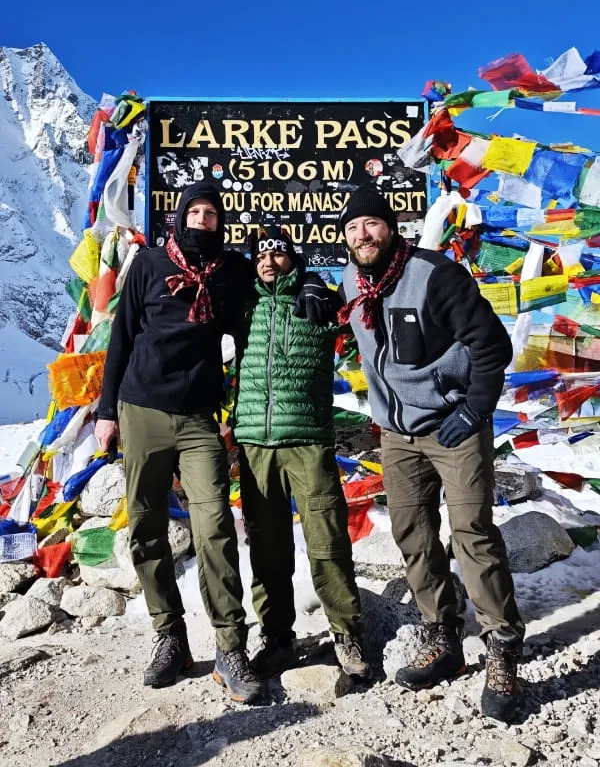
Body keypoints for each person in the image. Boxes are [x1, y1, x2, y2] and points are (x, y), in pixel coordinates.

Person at [94, 182, 332, 702]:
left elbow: (278, 278)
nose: (202, 220)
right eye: (194, 212)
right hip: (142, 410)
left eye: (211, 213)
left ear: (220, 223)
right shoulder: (151, 265)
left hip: (200, 417)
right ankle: (170, 636)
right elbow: (122, 336)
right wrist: (106, 410)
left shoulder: (231, 272)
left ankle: (229, 646)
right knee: (146, 526)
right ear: (181, 217)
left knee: (215, 526)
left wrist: (313, 282)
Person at [337, 186, 525, 722]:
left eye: (370, 224)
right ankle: (443, 637)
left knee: (472, 533)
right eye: (352, 229)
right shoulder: (352, 281)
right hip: (396, 434)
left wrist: (473, 409)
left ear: (390, 227)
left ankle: (503, 648)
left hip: (455, 425)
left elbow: (492, 345)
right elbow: (325, 302)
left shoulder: (433, 273)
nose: (362, 235)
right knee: (412, 534)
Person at [232, 226, 371, 680]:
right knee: (267, 549)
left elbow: (361, 290)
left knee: (327, 541)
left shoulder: (319, 302)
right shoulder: (243, 307)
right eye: (261, 256)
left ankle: (346, 634)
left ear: (295, 258)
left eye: (278, 254)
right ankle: (277, 638)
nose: (269, 262)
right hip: (255, 444)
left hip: (308, 440)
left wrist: (317, 284)